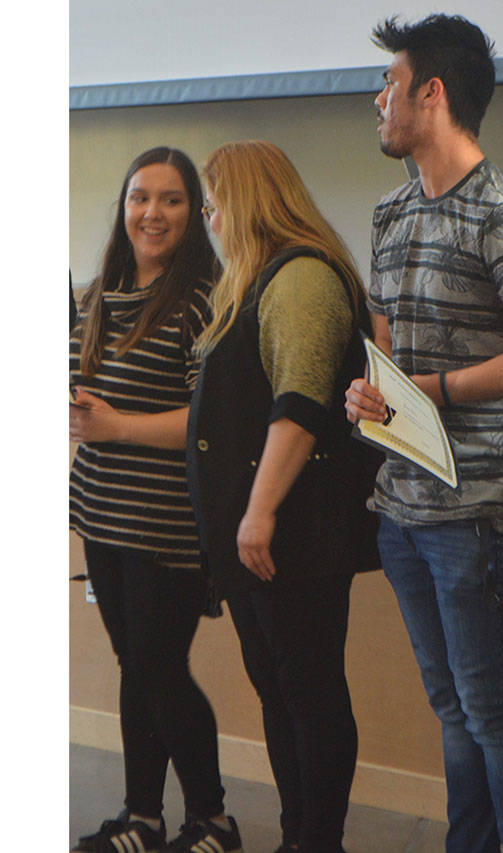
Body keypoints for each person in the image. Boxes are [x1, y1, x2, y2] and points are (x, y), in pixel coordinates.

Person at [344, 14, 503, 853]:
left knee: (490, 708)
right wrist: (369, 398)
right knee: (451, 705)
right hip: (403, 502)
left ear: (431, 94)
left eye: (390, 84)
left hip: (479, 507)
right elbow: (389, 356)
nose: (378, 99)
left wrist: (438, 390)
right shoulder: (389, 211)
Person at [184, 140, 382, 853]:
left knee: (309, 692)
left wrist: (259, 511)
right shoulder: (253, 279)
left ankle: (317, 840)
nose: (207, 213)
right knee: (279, 687)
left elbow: (298, 406)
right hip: (260, 535)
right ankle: (298, 834)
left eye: (214, 197)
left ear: (252, 198)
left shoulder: (299, 278)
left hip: (294, 533)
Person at [69, 147, 241, 853]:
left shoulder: (206, 296)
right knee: (135, 667)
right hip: (100, 514)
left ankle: (213, 819)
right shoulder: (97, 293)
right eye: (141, 197)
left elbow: (213, 422)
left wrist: (117, 425)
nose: (152, 213)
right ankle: (143, 817)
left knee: (159, 669)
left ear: (194, 212)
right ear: (124, 206)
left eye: (171, 199)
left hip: (167, 525)